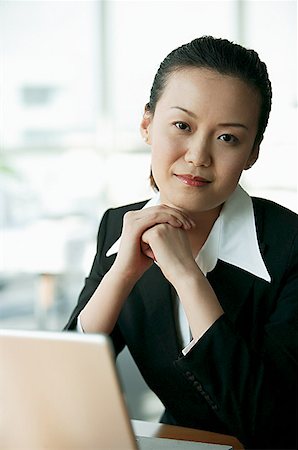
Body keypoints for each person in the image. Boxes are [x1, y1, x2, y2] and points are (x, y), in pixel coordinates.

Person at [64, 36, 297, 449]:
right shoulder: (117, 226)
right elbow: (63, 379)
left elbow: (271, 422)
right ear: (146, 125)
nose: (198, 156)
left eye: (227, 138)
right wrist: (121, 274)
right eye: (182, 126)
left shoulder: (290, 244)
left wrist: (187, 276)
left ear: (253, 153)